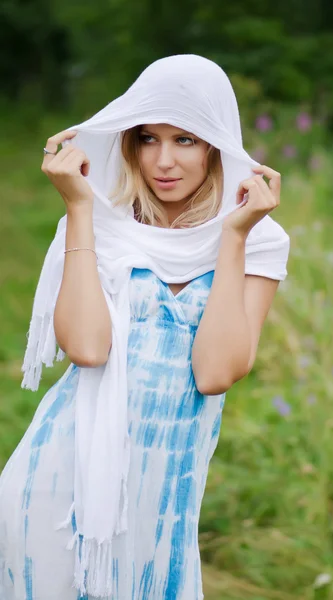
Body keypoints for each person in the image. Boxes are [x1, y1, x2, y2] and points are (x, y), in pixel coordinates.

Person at [0, 54, 290, 600]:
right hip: (58, 490)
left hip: (164, 506)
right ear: (129, 145)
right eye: (148, 138)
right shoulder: (101, 227)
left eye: (185, 139)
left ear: (217, 144)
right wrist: (80, 210)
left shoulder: (259, 240)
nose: (163, 160)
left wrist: (232, 239)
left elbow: (215, 372)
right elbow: (86, 348)